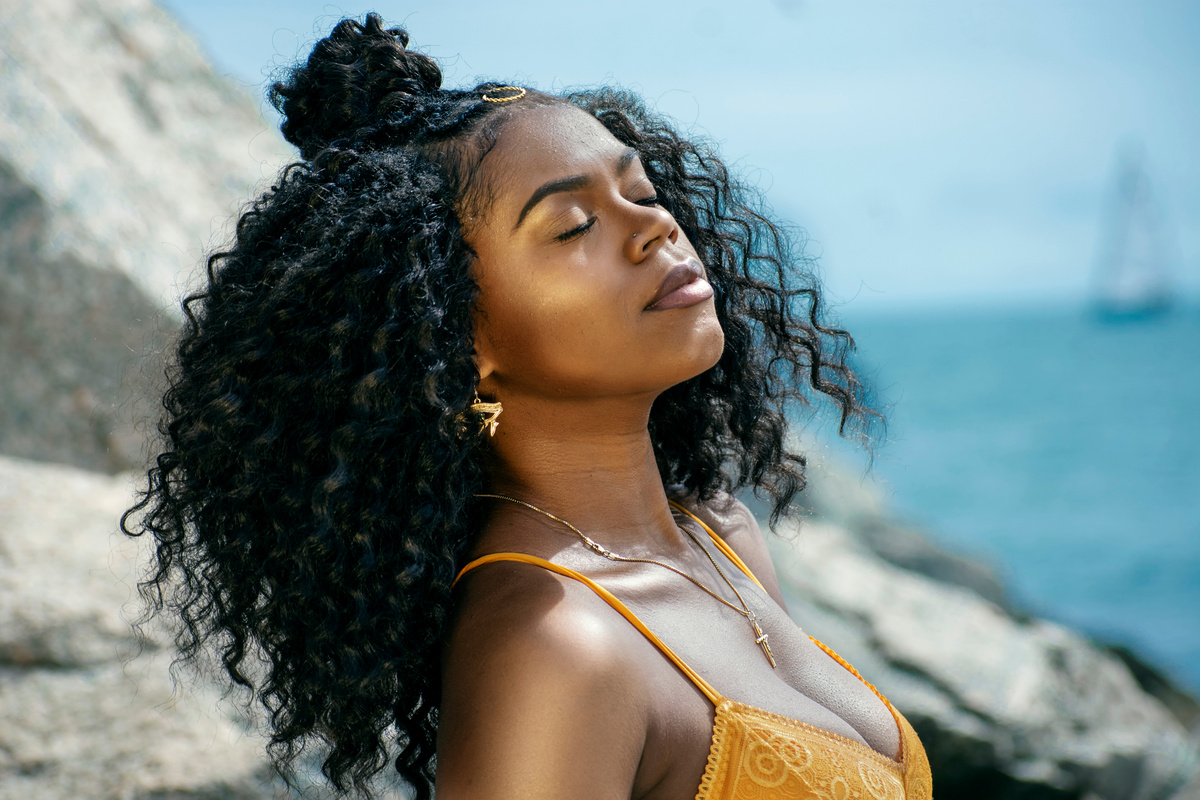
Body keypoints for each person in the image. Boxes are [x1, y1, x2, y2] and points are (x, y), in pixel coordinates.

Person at [123, 13, 932, 800]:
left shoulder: (722, 536)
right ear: (454, 333)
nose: (653, 227)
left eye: (641, 189)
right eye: (573, 225)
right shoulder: (551, 642)